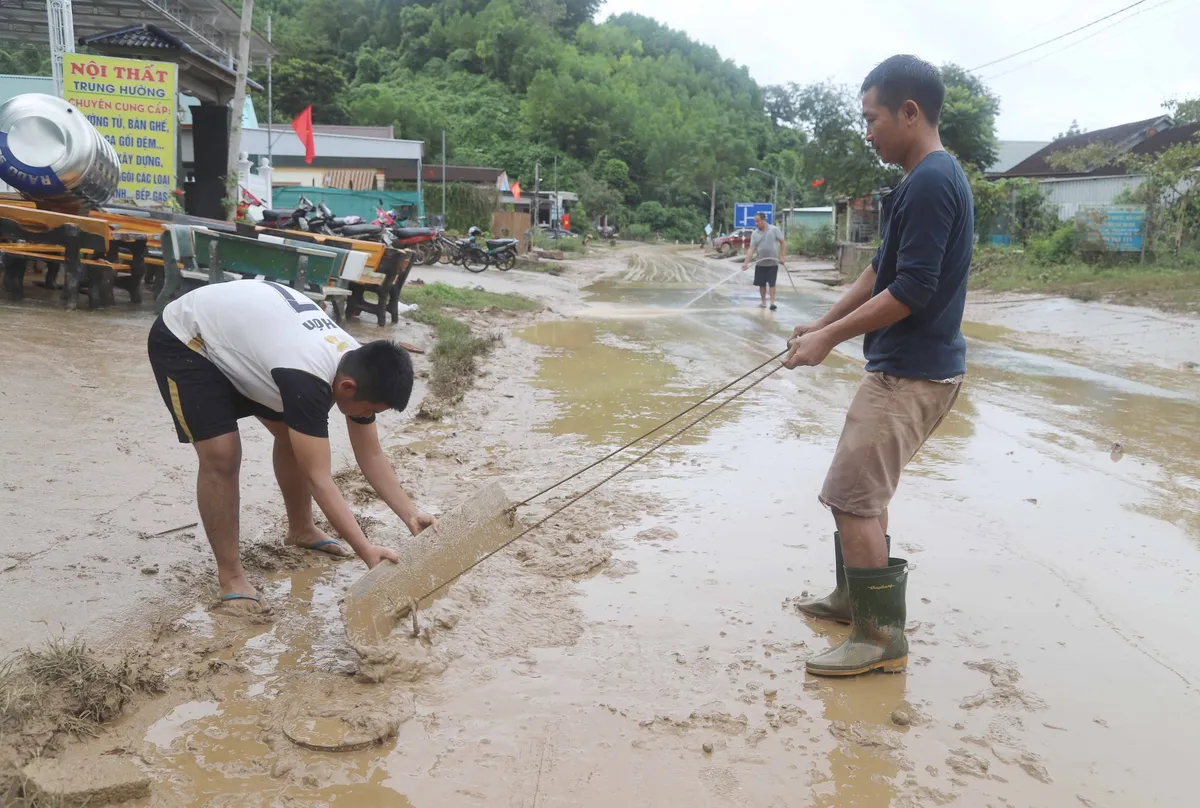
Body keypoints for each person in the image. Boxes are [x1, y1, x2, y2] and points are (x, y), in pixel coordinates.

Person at [783, 54, 973, 676]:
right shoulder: (914, 183)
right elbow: (877, 271)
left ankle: (879, 636)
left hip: (910, 373)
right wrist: (823, 322)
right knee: (868, 494)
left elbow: (912, 289)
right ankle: (852, 600)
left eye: (873, 119)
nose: (867, 133)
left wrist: (830, 342)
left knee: (852, 497)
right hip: (904, 366)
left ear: (909, 113)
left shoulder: (932, 181)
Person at [147, 279, 438, 613]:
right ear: (347, 386)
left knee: (294, 436)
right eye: (369, 410)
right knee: (222, 456)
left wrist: (410, 514)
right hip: (188, 339)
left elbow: (370, 454)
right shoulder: (308, 377)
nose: (366, 418)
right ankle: (231, 578)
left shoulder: (356, 363)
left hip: (247, 336)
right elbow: (320, 478)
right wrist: (366, 549)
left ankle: (301, 529)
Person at [741, 212, 786, 310]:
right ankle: (764, 302)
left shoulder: (774, 230)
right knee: (761, 283)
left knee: (772, 283)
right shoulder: (755, 233)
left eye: (757, 221)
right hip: (760, 262)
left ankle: (772, 303)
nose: (756, 223)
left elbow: (782, 242)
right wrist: (746, 263)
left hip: (773, 262)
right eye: (755, 222)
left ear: (764, 220)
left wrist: (782, 257)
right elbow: (751, 249)